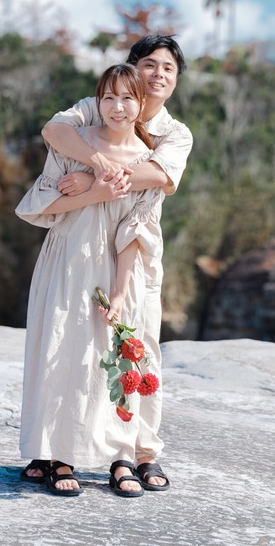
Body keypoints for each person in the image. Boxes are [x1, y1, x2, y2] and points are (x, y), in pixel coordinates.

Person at [20, 34, 192, 492]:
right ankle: (53, 449)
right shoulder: (98, 106)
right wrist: (95, 158)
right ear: (132, 68)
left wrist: (92, 176)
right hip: (75, 247)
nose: (158, 74)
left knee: (136, 349)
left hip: (132, 255)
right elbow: (54, 132)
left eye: (168, 68)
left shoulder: (174, 134)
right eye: (149, 65)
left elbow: (157, 175)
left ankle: (137, 453)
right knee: (66, 341)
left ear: (175, 80)